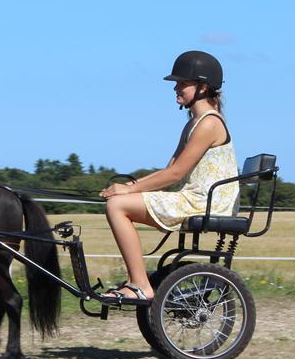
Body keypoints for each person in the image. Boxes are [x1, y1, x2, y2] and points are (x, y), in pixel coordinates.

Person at [98, 50, 239, 302]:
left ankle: (140, 285)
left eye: (182, 83)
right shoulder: (194, 123)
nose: (176, 88)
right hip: (193, 198)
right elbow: (169, 169)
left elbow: (176, 173)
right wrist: (130, 186)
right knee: (118, 200)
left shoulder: (208, 124)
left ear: (203, 87)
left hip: (203, 202)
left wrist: (127, 191)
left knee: (117, 206)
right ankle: (139, 283)